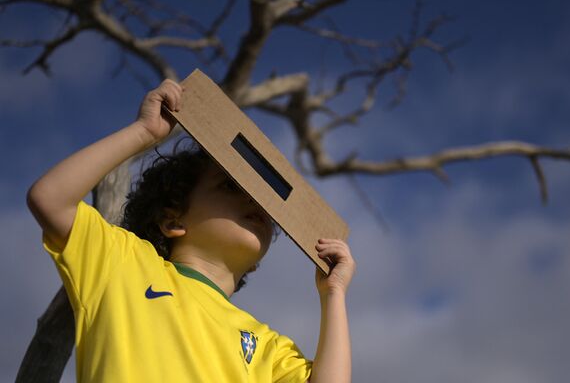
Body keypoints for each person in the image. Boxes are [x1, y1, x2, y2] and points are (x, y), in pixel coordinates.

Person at [27, 79, 356, 382]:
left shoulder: (267, 345)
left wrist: (333, 294)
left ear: (257, 262)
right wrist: (143, 132)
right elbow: (50, 199)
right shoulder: (123, 264)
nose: (253, 202)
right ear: (173, 221)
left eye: (265, 206)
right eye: (229, 186)